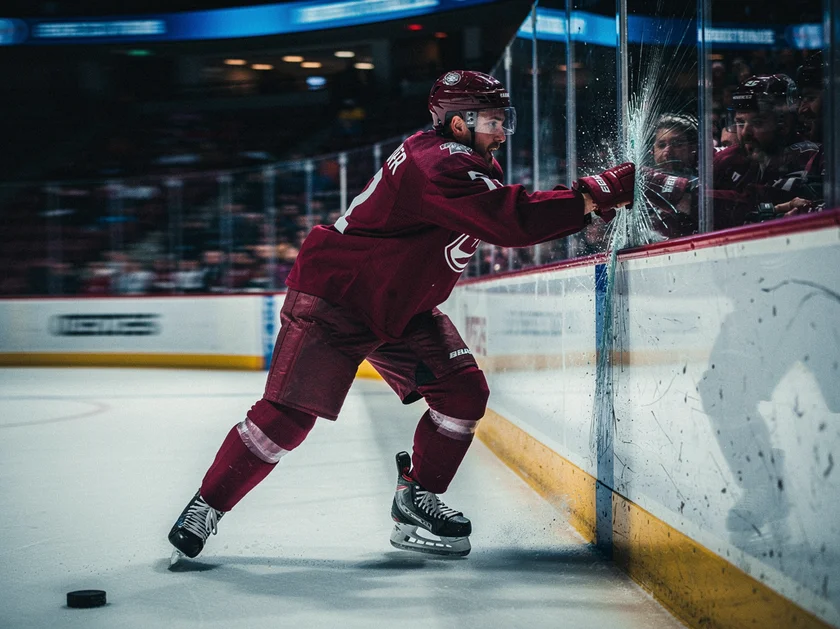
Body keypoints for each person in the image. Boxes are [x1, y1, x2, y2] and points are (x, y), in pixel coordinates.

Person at [167, 70, 635, 559]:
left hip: (399, 306)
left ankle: (416, 497)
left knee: (461, 393)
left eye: (503, 119)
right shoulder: (440, 163)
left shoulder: (459, 160)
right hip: (339, 299)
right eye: (494, 120)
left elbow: (503, 212)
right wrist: (591, 194)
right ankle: (208, 504)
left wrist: (578, 208)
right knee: (286, 419)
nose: (502, 131)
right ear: (458, 123)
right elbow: (508, 220)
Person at [710, 73, 820, 228]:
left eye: (757, 122)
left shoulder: (808, 158)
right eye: (740, 122)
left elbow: (757, 200)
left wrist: (686, 192)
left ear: (784, 124)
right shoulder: (728, 160)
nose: (745, 133)